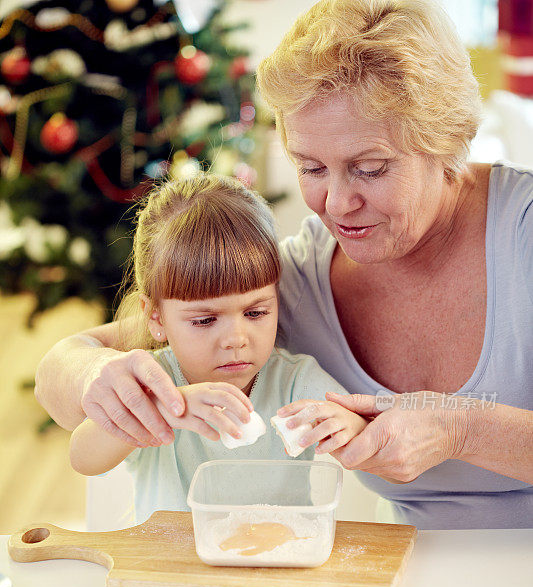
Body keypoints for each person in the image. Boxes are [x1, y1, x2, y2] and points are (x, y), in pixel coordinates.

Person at [35, 0, 532, 530]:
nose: (336, 204)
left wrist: (462, 430)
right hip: (422, 573)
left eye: (369, 169)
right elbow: (61, 373)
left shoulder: (521, 233)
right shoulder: (290, 289)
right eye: (311, 167)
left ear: (446, 142)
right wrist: (96, 378)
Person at [67, 173, 365, 522]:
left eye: (256, 312)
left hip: (278, 565)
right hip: (171, 568)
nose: (236, 339)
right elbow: (82, 458)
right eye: (205, 320)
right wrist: (160, 410)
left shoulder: (295, 380)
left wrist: (348, 425)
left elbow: (360, 432)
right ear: (157, 318)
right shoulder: (152, 382)